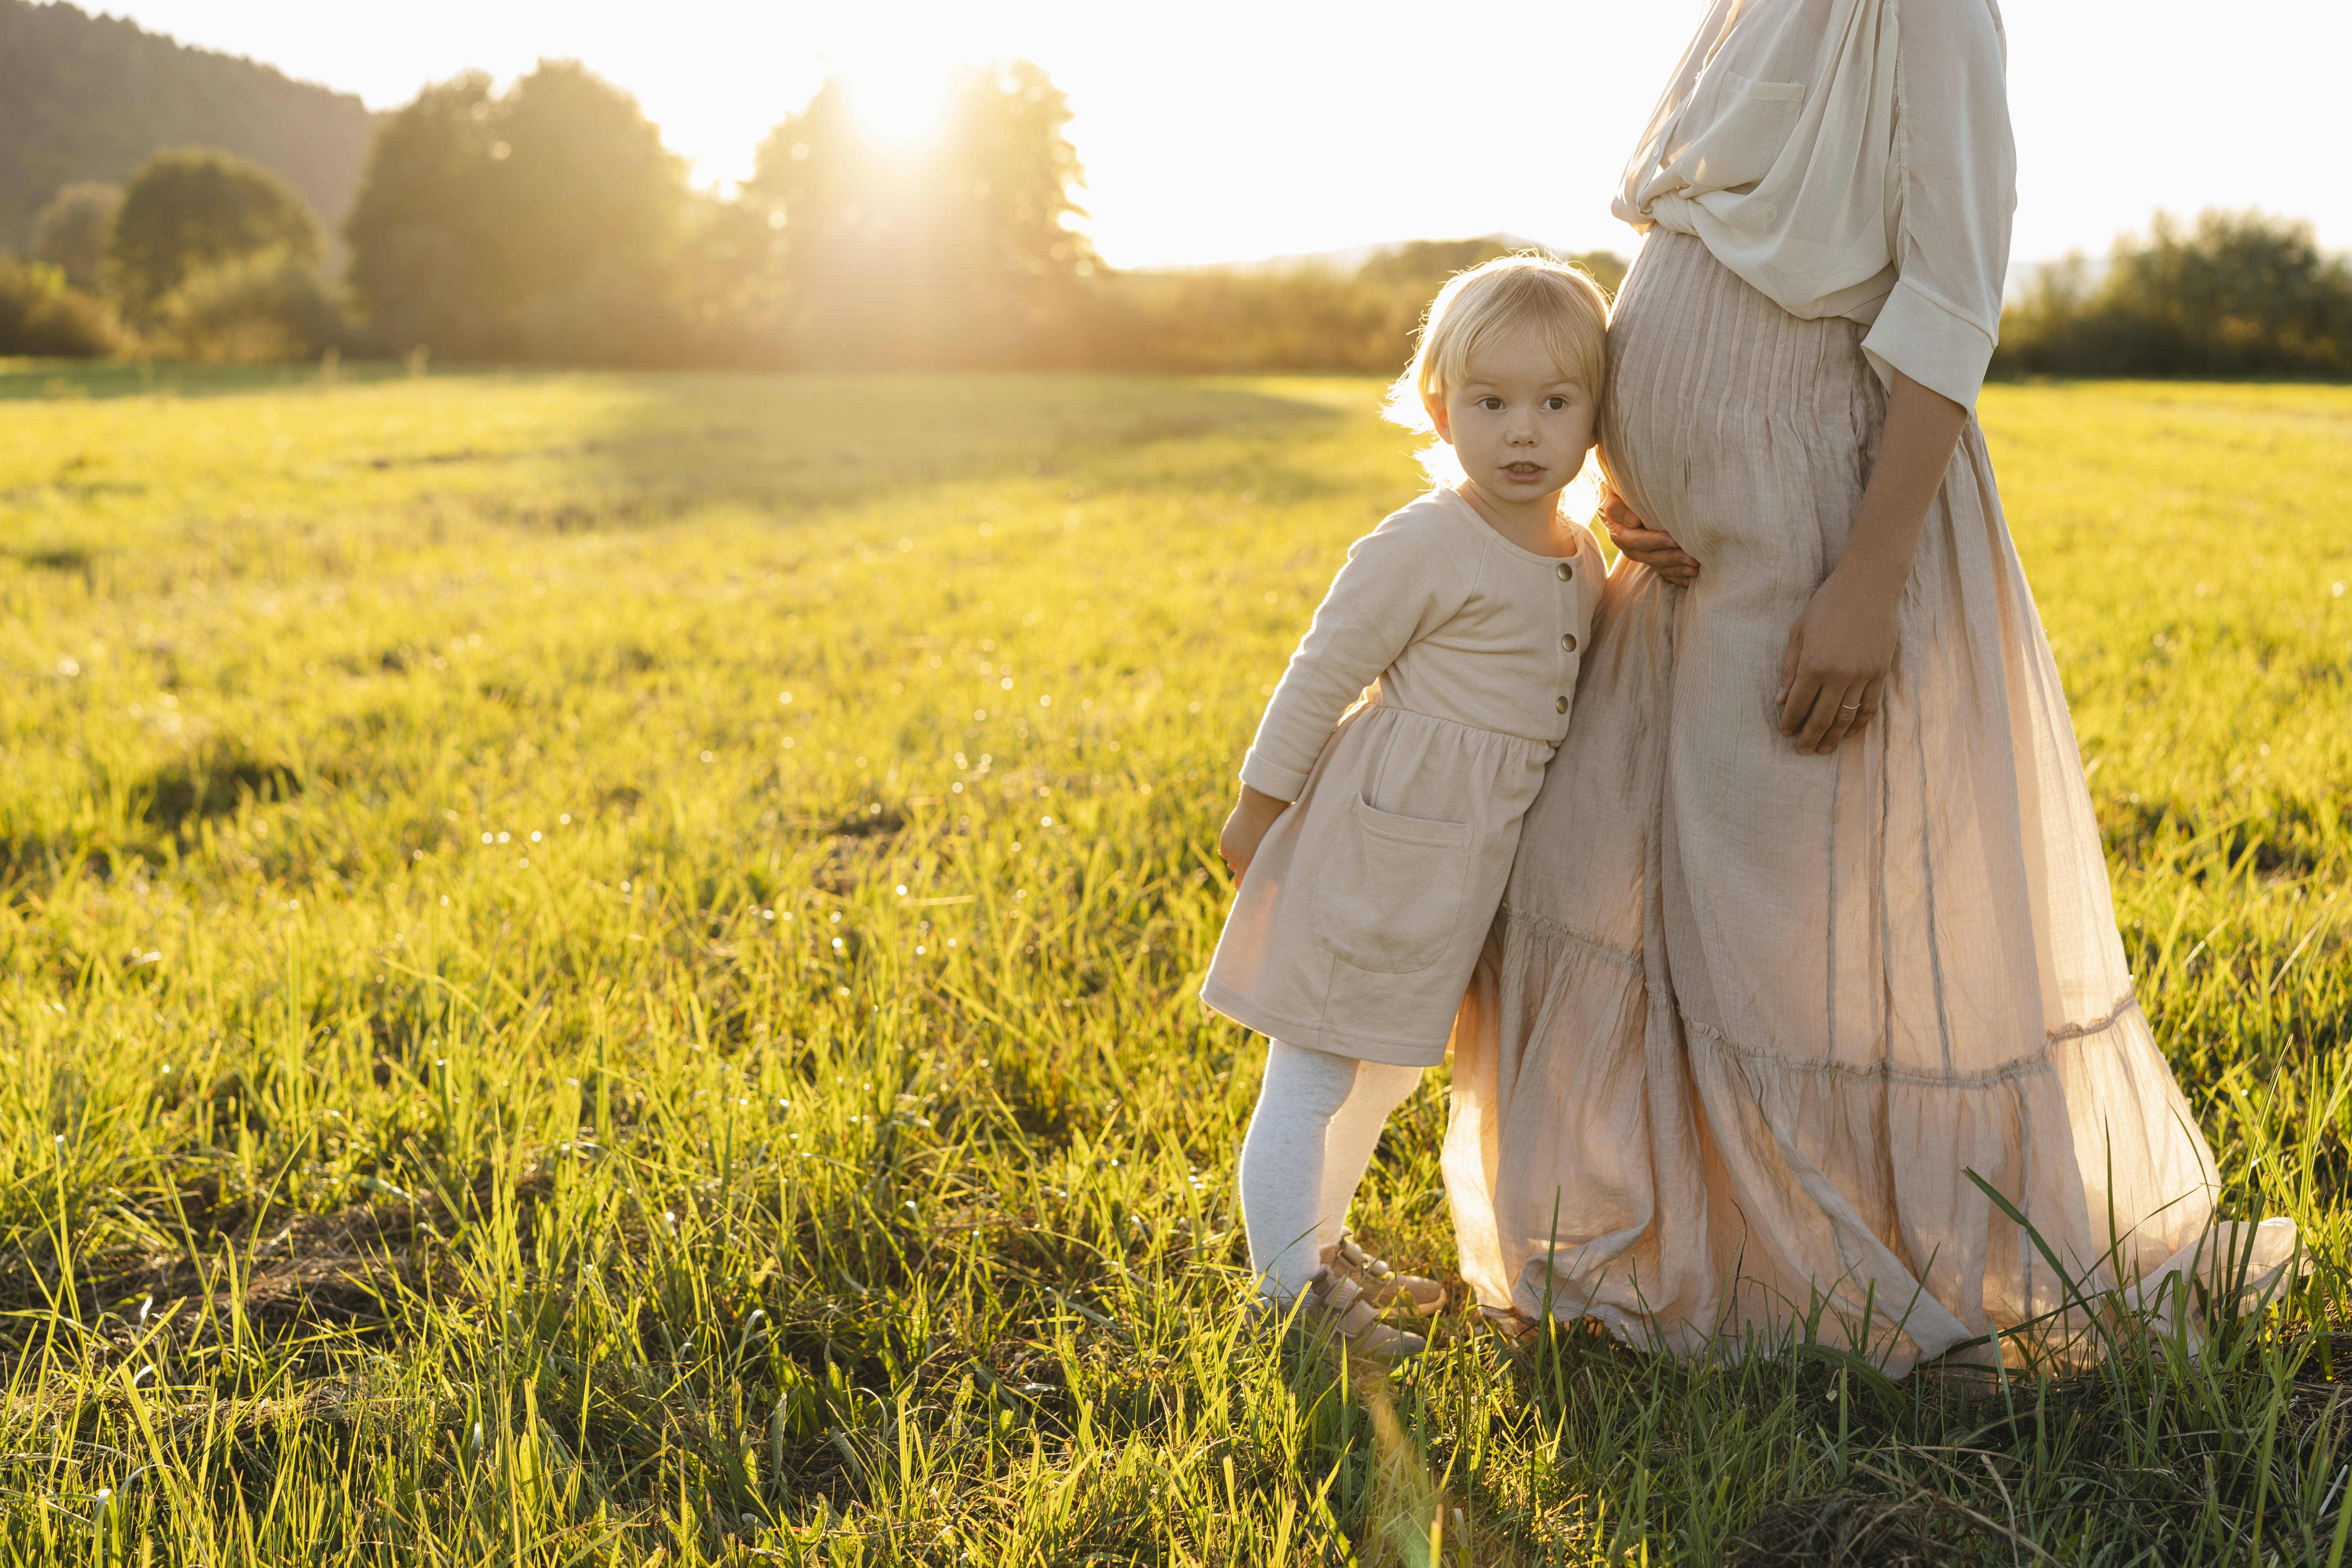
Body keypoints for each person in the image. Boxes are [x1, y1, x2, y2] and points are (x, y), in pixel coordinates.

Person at [1443, 0, 2296, 1373]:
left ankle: (1818, 1286)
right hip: (1676, 559)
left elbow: (1952, 300)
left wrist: (1869, 579)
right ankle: (1664, 1244)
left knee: (1774, 914)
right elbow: (1688, 259)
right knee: (1603, 874)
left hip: (1819, 530)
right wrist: (1620, 463)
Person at [1205, 256, 1613, 1356]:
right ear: (1441, 406)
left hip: (1454, 871)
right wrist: (1259, 806)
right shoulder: (1427, 540)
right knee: (1317, 1063)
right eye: (1490, 404)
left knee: (1384, 1067)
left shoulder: (1581, 561)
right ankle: (1288, 1298)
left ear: (1596, 415)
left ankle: (1323, 1244)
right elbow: (1320, 672)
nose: (1521, 433)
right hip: (1373, 840)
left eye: (1554, 404)